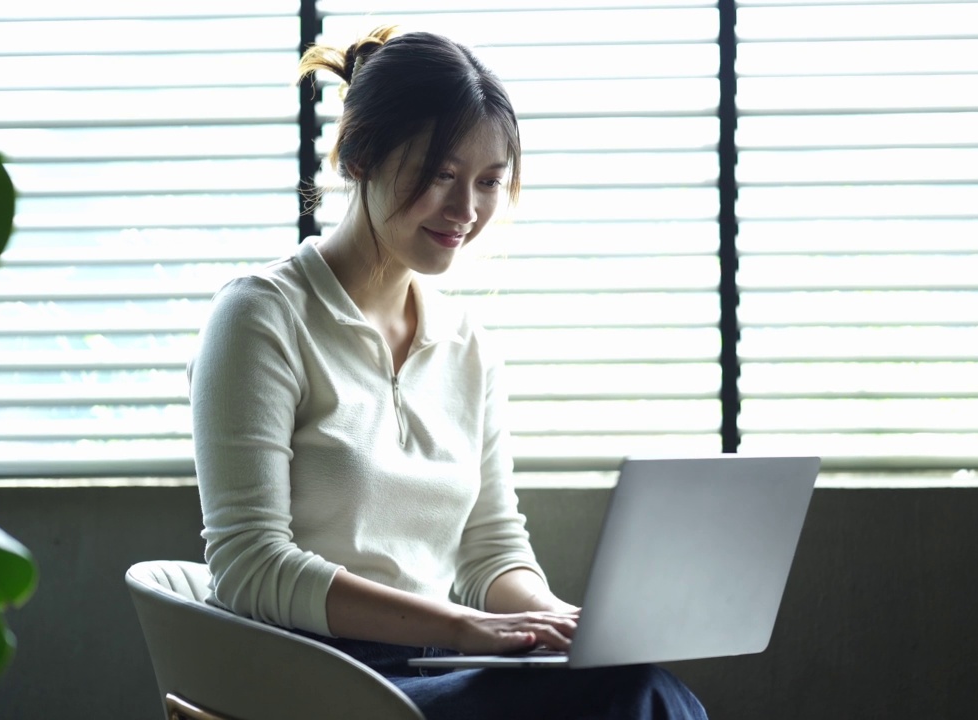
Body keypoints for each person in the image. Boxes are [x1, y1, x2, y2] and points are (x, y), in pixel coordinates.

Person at [187, 25, 708, 720]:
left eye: (489, 182)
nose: (467, 211)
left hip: (432, 671)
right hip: (308, 683)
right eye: (441, 175)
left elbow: (491, 549)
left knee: (640, 684)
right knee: (631, 701)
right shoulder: (261, 317)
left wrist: (558, 621)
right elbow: (249, 564)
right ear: (361, 157)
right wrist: (461, 626)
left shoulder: (467, 346)